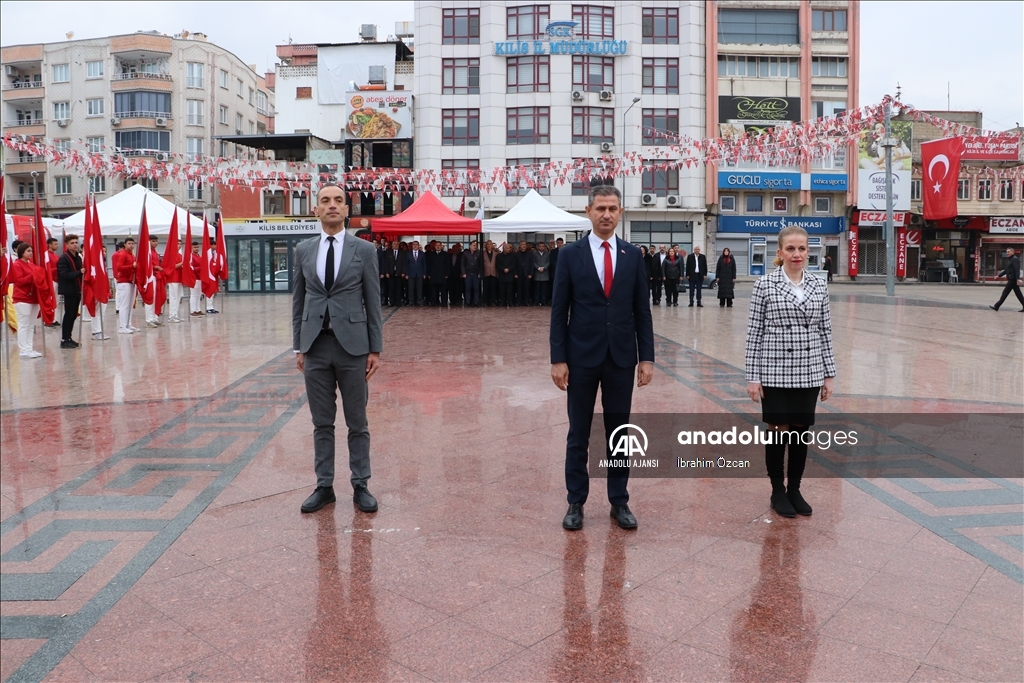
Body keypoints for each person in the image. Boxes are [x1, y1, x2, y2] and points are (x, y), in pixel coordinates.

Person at [550, 186, 655, 531]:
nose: (606, 214)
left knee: (618, 433)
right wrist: (558, 358)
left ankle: (619, 501)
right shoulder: (570, 254)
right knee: (578, 433)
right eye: (600, 208)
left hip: (621, 359)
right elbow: (559, 310)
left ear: (621, 212)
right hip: (580, 358)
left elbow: (642, 310)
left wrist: (647, 357)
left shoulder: (632, 255)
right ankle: (575, 502)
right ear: (588, 211)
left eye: (612, 208)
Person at [292, 185, 383, 515]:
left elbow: (373, 301)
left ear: (347, 210)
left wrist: (376, 348)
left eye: (338, 201)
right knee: (322, 423)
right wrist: (298, 347)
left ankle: (361, 484)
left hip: (354, 348)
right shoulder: (303, 250)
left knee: (357, 421)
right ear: (316, 209)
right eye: (325, 201)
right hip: (315, 347)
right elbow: (298, 301)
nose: (332, 206)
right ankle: (324, 486)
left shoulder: (364, 250)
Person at [745, 225, 836, 519]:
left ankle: (795, 488)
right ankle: (777, 490)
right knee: (778, 430)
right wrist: (753, 377)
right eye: (791, 249)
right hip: (775, 369)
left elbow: (825, 330)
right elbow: (754, 333)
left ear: (808, 252)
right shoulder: (765, 285)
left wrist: (829, 374)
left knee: (800, 432)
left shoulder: (819, 284)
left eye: (802, 249)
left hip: (809, 369)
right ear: (780, 252)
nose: (797, 254)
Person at [11, 243, 43, 358]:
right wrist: (33, 276)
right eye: (28, 251)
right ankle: (23, 350)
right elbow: (18, 281)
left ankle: (29, 348)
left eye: (31, 251)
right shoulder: (17, 265)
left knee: (31, 325)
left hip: (34, 298)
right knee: (24, 325)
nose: (31, 253)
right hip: (22, 298)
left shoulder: (32, 265)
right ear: (22, 252)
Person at [56, 234, 84, 348]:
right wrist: (79, 272)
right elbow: (64, 274)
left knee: (73, 315)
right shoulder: (64, 258)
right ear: (67, 245)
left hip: (77, 289)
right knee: (68, 315)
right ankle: (64, 339)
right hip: (69, 290)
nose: (75, 245)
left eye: (76, 242)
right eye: (72, 243)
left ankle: (69, 337)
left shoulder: (77, 256)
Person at [112, 237, 138, 334]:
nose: (131, 245)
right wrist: (132, 266)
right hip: (123, 282)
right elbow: (119, 267)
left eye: (132, 243)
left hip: (130, 281)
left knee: (130, 304)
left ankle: (128, 324)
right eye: (129, 243)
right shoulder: (123, 254)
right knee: (124, 305)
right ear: (125, 245)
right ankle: (122, 326)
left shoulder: (132, 255)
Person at [989, 247, 1024, 312]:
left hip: (1013, 279)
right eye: (1006, 252)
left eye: (1008, 252)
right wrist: (998, 275)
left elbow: (1017, 270)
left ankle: (997, 306)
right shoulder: (1011, 259)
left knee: (1005, 293)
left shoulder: (1014, 259)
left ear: (1012, 252)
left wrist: (1017, 279)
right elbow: (1006, 270)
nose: (1007, 253)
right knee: (1018, 293)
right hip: (1012, 279)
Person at [144, 235, 165, 327]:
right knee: (150, 297)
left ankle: (154, 317)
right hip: (150, 277)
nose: (155, 243)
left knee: (156, 297)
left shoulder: (154, 252)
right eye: (153, 241)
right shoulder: (147, 252)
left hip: (156, 276)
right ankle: (149, 320)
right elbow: (145, 264)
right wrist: (155, 267)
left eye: (156, 241)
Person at [165, 239, 183, 323]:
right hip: (173, 278)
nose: (179, 246)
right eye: (177, 244)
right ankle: (171, 315)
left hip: (179, 278)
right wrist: (183, 263)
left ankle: (175, 314)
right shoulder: (170, 255)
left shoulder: (179, 255)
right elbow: (173, 266)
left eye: (180, 244)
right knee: (173, 297)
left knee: (178, 297)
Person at [426, 240, 449, 306]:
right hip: (433, 275)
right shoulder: (431, 254)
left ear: (441, 246)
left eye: (439, 245)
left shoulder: (445, 254)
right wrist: (429, 274)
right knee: (433, 290)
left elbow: (448, 265)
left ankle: (444, 302)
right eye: (437, 245)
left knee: (443, 290)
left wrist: (447, 274)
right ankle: (434, 302)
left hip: (442, 275)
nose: (438, 247)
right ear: (434, 247)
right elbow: (428, 265)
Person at [405, 240, 426, 306]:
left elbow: (424, 264)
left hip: (420, 273)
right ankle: (411, 302)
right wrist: (406, 274)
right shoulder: (408, 254)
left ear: (418, 245)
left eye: (416, 244)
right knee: (411, 289)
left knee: (419, 288)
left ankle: (419, 301)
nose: (415, 246)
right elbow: (406, 264)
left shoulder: (422, 254)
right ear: (412, 246)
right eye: (414, 244)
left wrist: (424, 273)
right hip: (411, 273)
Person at [462, 240, 483, 306]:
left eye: (476, 246)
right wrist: (463, 273)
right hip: (467, 274)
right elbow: (462, 264)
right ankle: (467, 302)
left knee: (476, 289)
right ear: (470, 246)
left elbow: (481, 264)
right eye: (474, 245)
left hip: (476, 273)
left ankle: (476, 302)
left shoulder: (479, 253)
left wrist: (480, 273)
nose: (475, 247)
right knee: (468, 289)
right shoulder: (465, 253)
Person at [385, 239, 405, 307]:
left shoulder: (402, 253)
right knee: (391, 288)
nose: (395, 246)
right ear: (392, 245)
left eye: (397, 244)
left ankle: (398, 302)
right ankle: (391, 302)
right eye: (394, 244)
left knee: (398, 288)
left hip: (399, 273)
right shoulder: (388, 252)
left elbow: (404, 264)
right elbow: (386, 263)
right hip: (391, 273)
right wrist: (387, 272)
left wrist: (403, 272)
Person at [188, 241, 204, 317]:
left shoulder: (199, 256)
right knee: (194, 295)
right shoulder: (191, 257)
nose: (197, 248)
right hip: (194, 278)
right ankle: (192, 310)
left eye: (197, 247)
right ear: (191, 248)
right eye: (195, 247)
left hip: (200, 277)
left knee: (199, 295)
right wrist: (201, 268)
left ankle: (198, 309)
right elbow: (191, 268)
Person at [533, 241, 552, 305]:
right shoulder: (534, 254)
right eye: (540, 246)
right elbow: (533, 262)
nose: (541, 247)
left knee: (544, 289)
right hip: (537, 273)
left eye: (542, 246)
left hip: (545, 273)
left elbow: (549, 262)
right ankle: (536, 301)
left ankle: (543, 301)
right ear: (538, 247)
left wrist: (544, 268)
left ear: (544, 247)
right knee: (537, 289)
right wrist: (538, 268)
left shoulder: (548, 254)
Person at [205, 237, 220, 314]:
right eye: (215, 245)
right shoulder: (208, 254)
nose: (216, 246)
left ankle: (211, 306)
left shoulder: (214, 254)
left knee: (212, 292)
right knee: (209, 291)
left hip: (214, 275)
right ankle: (208, 307)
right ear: (211, 245)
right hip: (209, 276)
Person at [482, 241, 498, 306]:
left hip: (493, 273)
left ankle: (493, 301)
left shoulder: (495, 253)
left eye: (490, 244)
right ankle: (485, 301)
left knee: (493, 288)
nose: (489, 245)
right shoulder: (483, 253)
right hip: (486, 273)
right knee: (486, 288)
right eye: (488, 244)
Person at [515, 241, 532, 306]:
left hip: (527, 274)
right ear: (520, 245)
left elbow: (531, 264)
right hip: (519, 274)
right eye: (522, 244)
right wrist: (515, 273)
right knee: (519, 289)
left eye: (525, 244)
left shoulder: (530, 254)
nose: (524, 246)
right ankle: (519, 301)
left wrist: (531, 273)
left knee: (526, 289)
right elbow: (515, 264)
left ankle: (526, 301)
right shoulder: (516, 254)